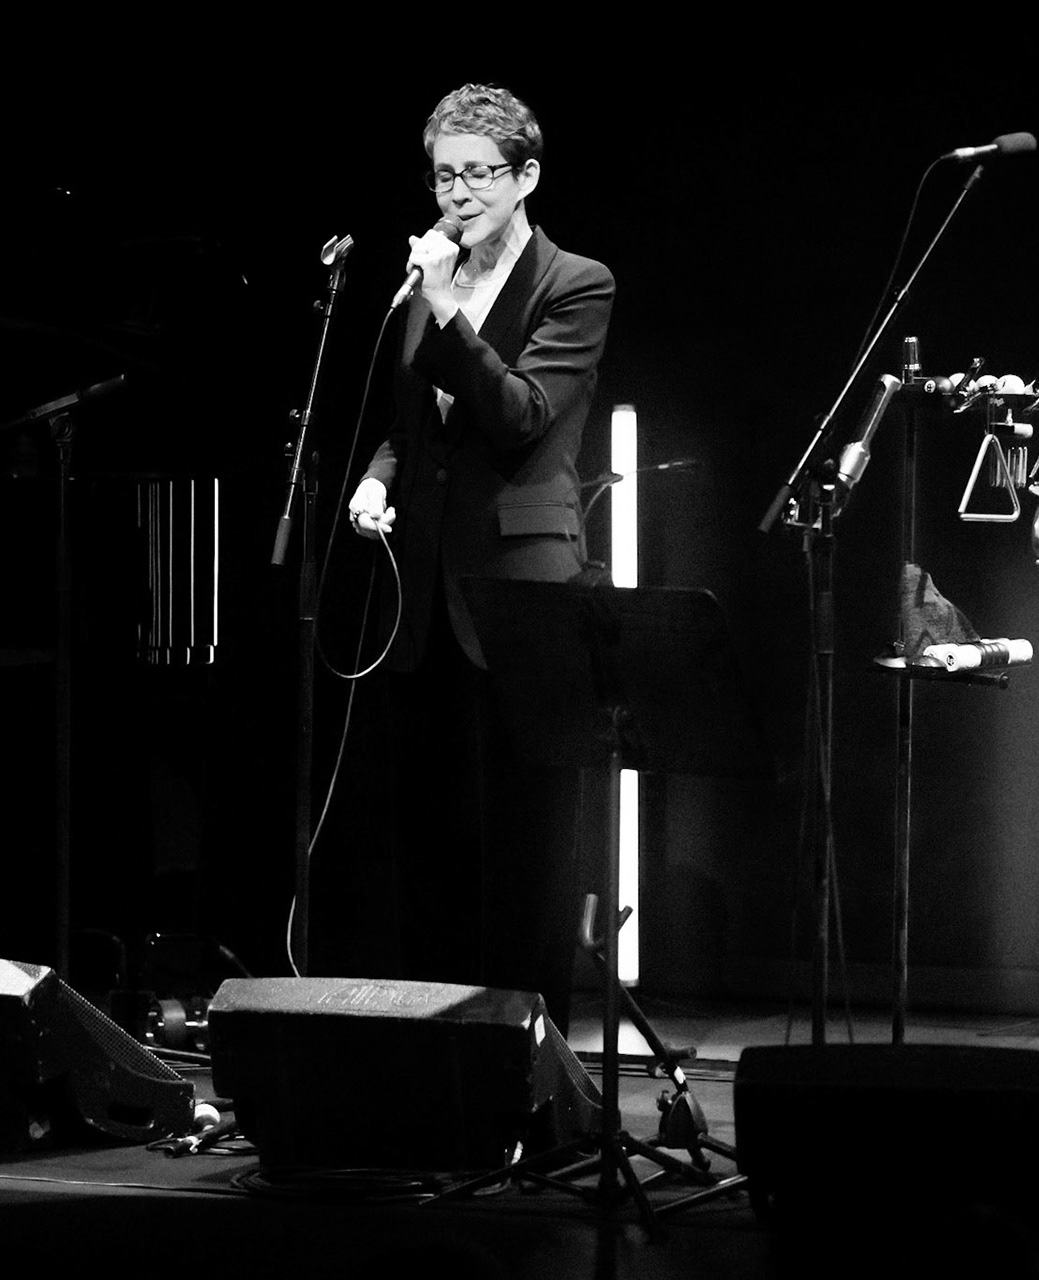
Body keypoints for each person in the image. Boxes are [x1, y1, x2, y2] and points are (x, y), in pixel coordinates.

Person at [347, 83, 616, 1032]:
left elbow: (519, 416)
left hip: (520, 589)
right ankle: (431, 1052)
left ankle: (529, 1067)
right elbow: (411, 422)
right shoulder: (426, 284)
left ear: (525, 175)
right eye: (443, 174)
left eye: (477, 174)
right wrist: (381, 474)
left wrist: (449, 306)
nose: (456, 193)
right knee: (430, 833)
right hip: (423, 589)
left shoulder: (575, 281)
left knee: (527, 845)